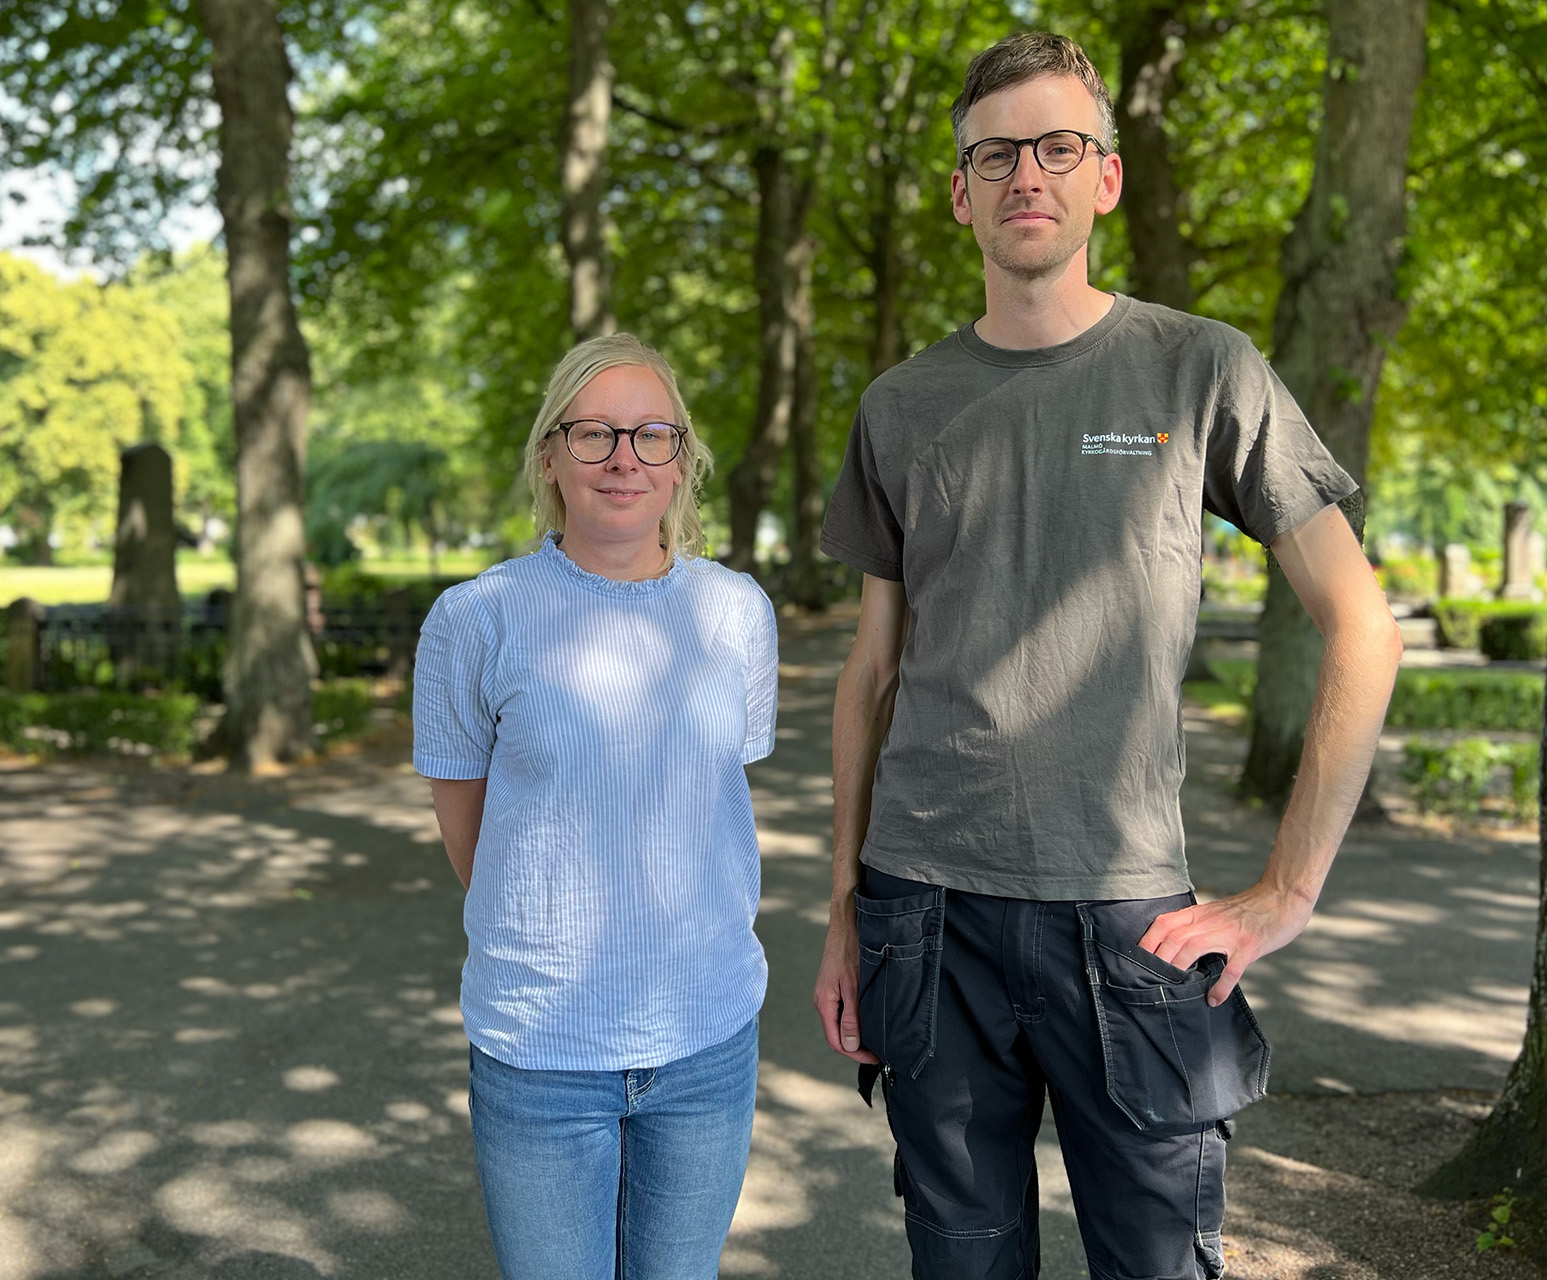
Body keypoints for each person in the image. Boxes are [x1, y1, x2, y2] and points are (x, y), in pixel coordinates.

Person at [810, 31, 1403, 1280]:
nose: (1028, 173)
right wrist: (843, 916)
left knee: (1157, 1266)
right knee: (960, 1261)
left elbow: (1361, 622)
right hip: (928, 911)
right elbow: (869, 676)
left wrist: (1287, 891)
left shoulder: (1200, 368)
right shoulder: (900, 407)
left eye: (1059, 146)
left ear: (1107, 178)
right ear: (960, 191)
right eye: (996, 153)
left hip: (1132, 923)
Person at [413, 333, 779, 1280]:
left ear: (683, 460)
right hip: (541, 1047)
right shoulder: (475, 620)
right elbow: (475, 838)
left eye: (653, 435)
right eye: (594, 434)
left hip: (705, 1039)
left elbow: (707, 804)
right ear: (550, 456)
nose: (625, 458)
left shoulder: (736, 612)